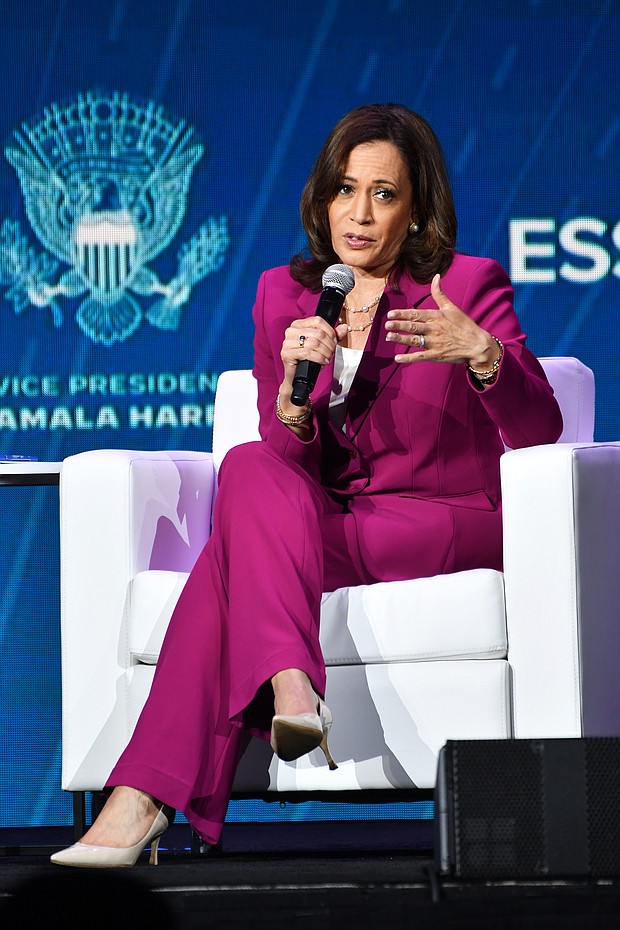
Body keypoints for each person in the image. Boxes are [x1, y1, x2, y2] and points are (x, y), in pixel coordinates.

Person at [51, 103, 562, 868]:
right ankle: (291, 684)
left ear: (417, 206)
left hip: (441, 518)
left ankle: (143, 799)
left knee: (232, 562)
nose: (359, 214)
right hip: (324, 520)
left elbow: (540, 430)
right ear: (322, 199)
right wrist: (296, 401)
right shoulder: (281, 295)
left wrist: (482, 352)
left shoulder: (464, 284)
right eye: (345, 190)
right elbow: (285, 465)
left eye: (384, 194)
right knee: (253, 464)